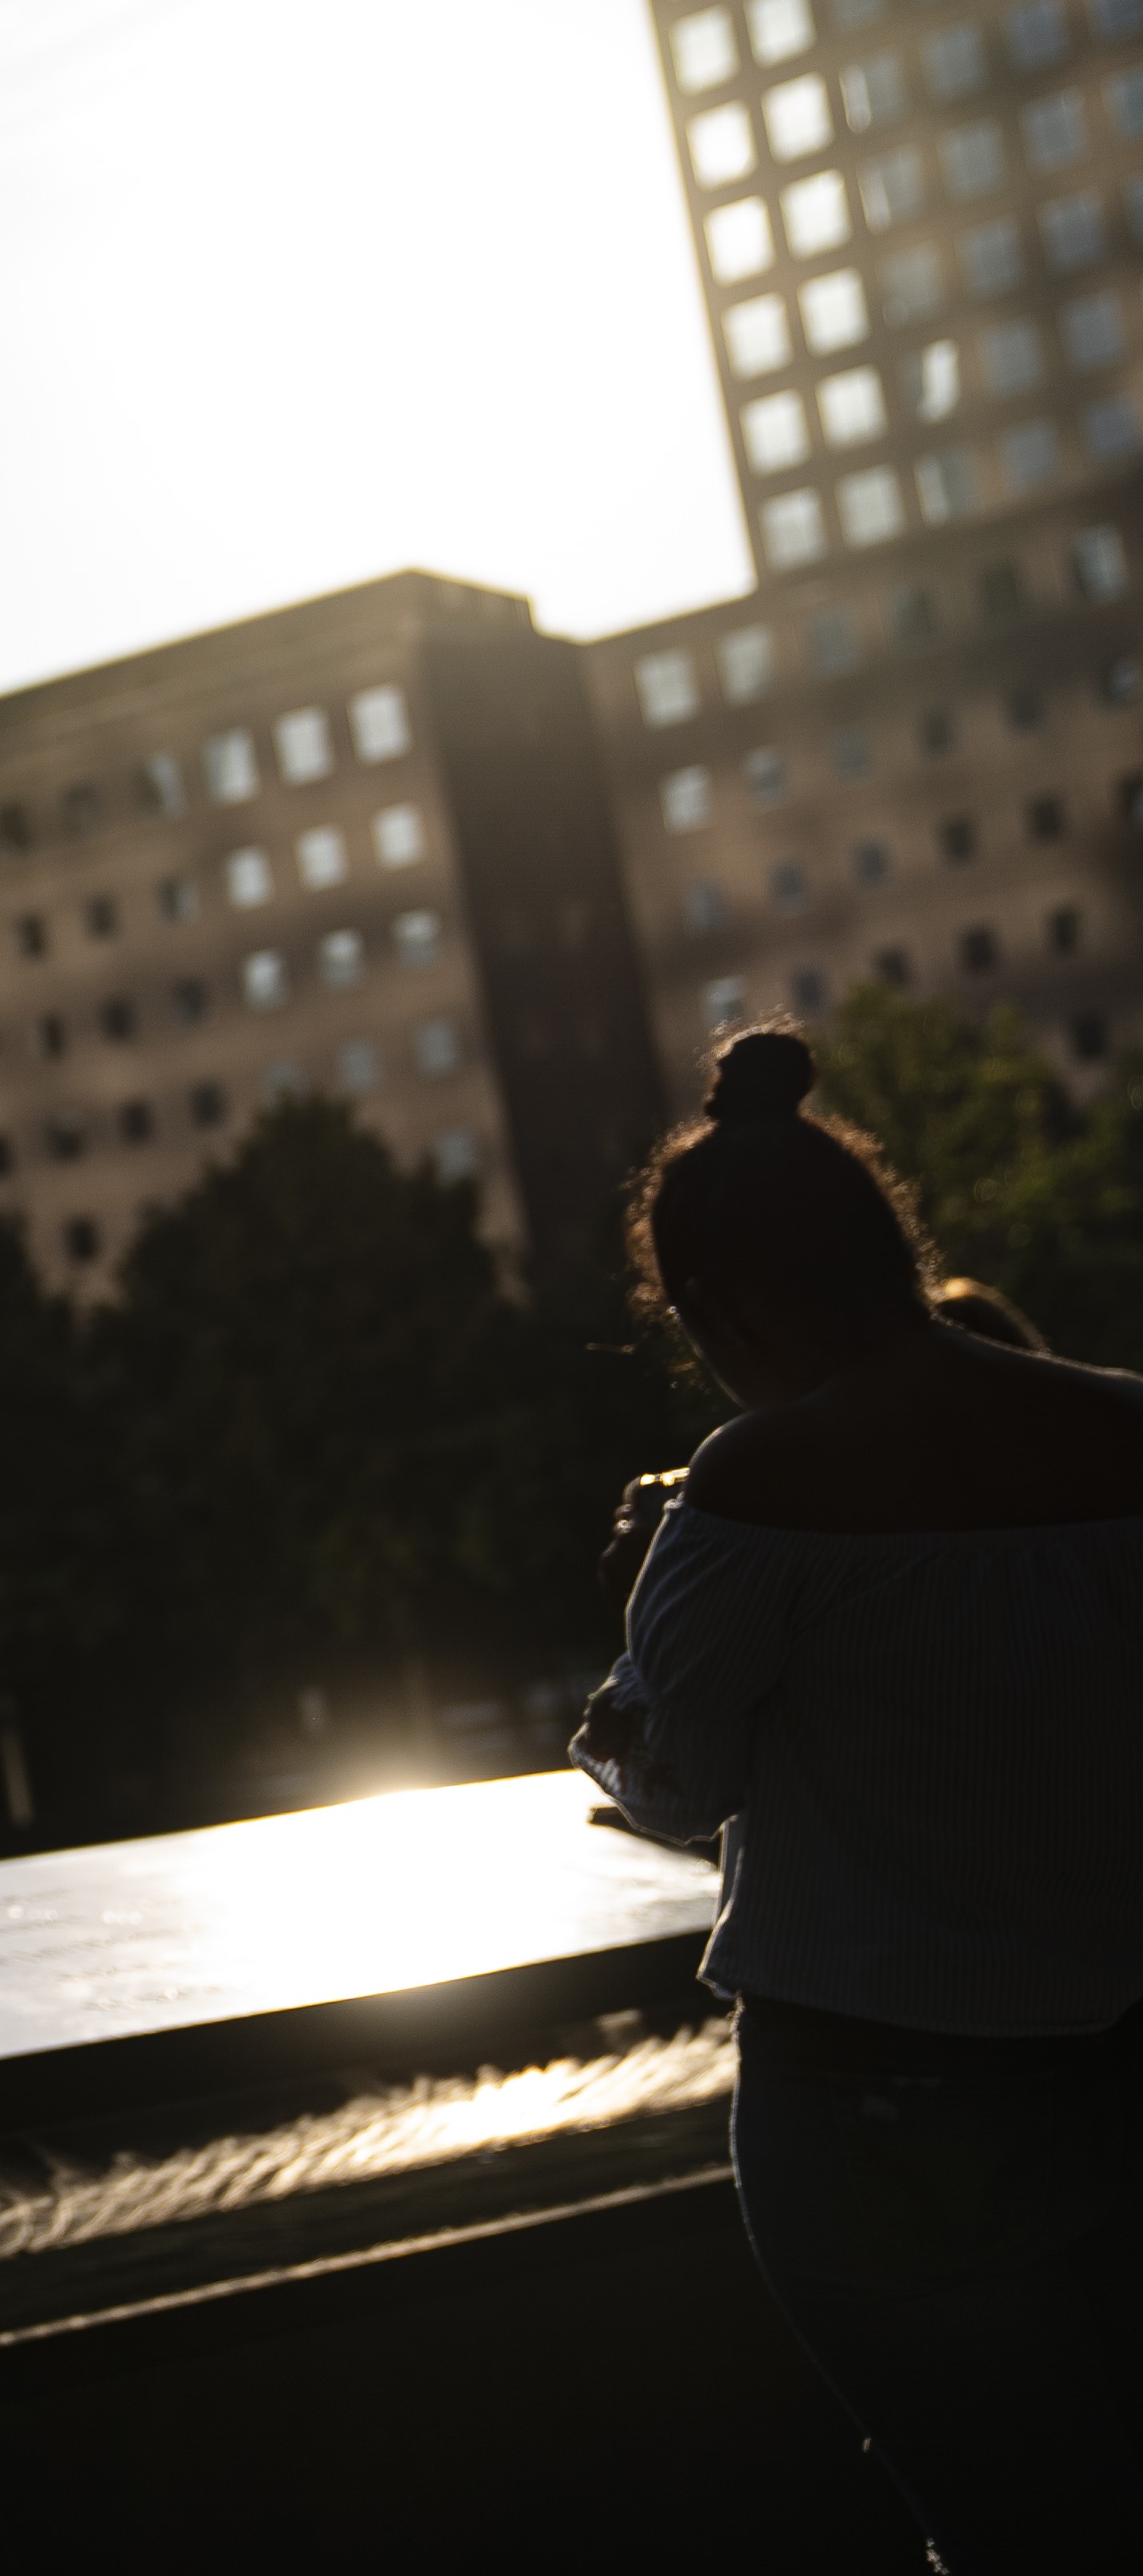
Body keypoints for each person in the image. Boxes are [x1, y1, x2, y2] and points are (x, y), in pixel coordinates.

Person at [571, 1028, 1143, 2568]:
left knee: (1006, 2524)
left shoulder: (751, 1484)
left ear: (726, 1307)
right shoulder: (1126, 1421)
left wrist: (639, 1646)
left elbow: (676, 1786)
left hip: (877, 2106)